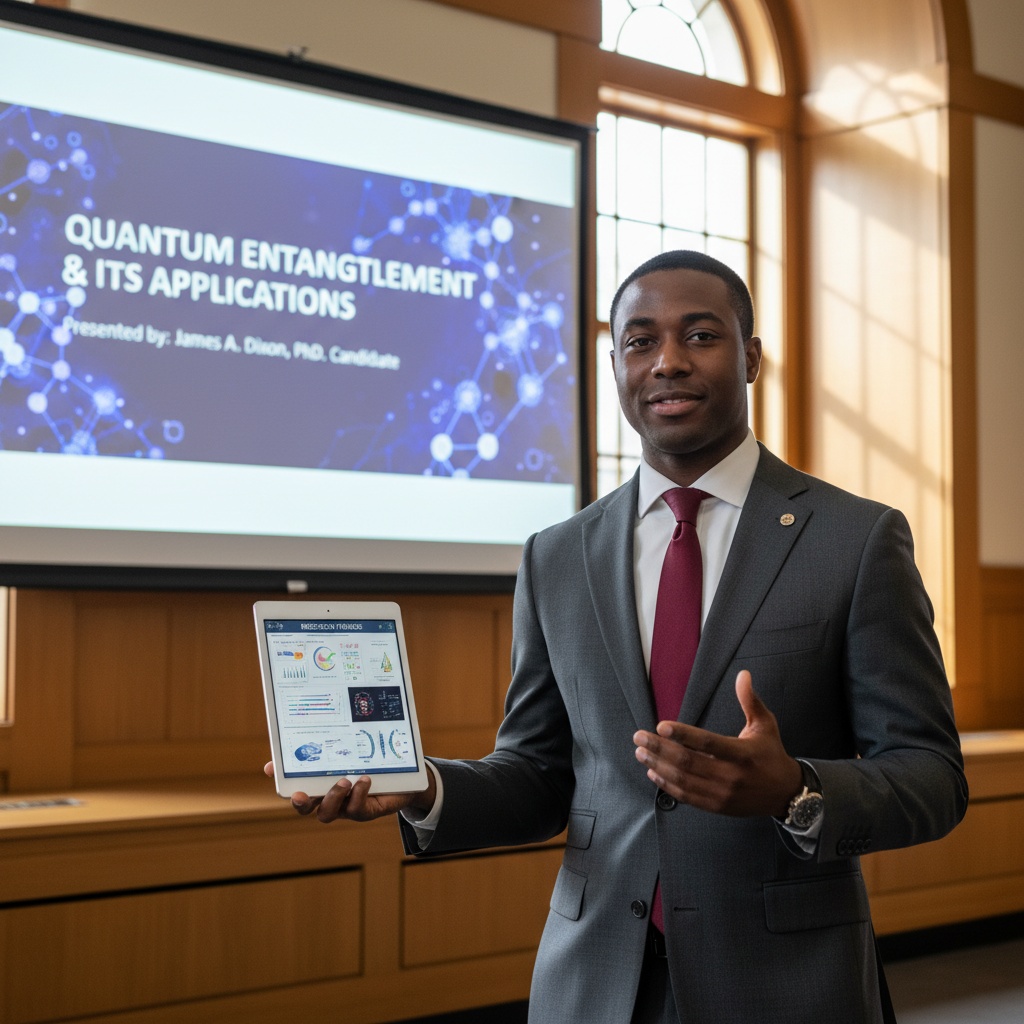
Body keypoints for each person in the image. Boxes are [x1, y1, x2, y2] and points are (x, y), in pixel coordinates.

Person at [267, 250, 967, 1023]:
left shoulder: (856, 539)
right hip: (595, 985)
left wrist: (796, 791)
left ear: (752, 357)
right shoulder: (557, 556)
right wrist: (426, 788)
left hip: (786, 983)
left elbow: (932, 776)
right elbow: (539, 775)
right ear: (615, 366)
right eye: (640, 342)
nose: (667, 361)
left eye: (700, 335)